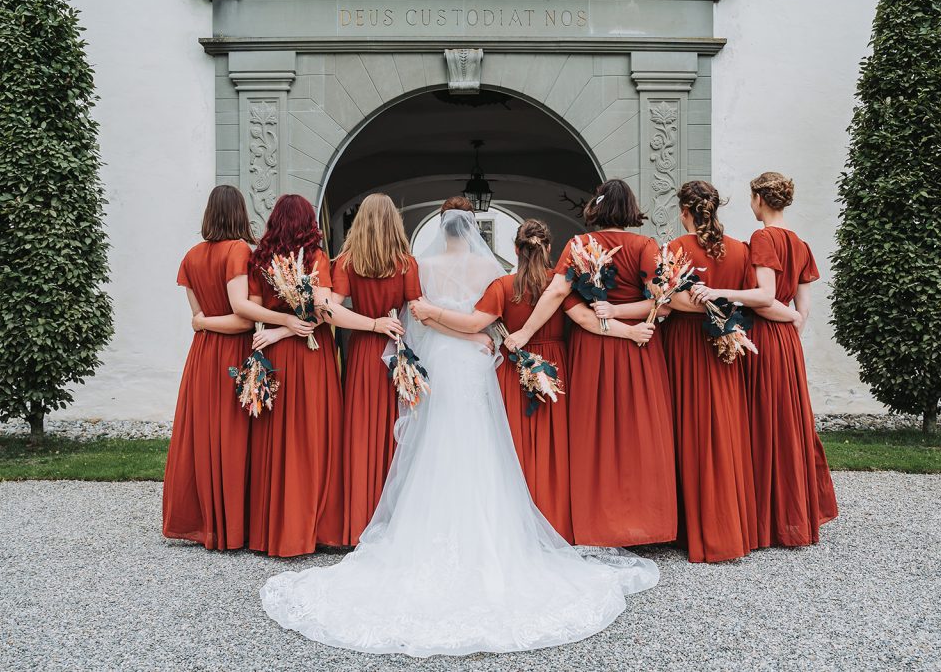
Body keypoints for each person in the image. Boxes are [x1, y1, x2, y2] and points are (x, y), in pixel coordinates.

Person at [259, 209, 659, 657]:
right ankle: (493, 529)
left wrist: (433, 317)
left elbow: (427, 316)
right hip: (475, 363)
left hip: (441, 357)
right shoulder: (497, 274)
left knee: (436, 443)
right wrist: (626, 327)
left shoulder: (426, 268)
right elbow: (489, 323)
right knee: (484, 445)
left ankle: (426, 522)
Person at [203, 194, 400, 556]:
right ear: (309, 223)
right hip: (312, 357)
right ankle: (314, 529)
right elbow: (323, 310)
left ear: (275, 221)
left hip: (277, 351)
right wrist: (292, 326)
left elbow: (257, 309)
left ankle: (268, 531)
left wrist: (279, 330)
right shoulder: (316, 258)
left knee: (275, 440)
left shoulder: (262, 258)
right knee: (314, 437)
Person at [505, 179, 676, 547]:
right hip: (638, 348)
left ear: (596, 208)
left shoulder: (580, 245)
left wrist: (525, 332)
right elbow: (663, 301)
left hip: (594, 349)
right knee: (640, 429)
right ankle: (646, 523)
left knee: (593, 431)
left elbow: (556, 292)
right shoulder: (646, 246)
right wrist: (625, 314)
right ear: (630, 207)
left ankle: (597, 522)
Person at [691, 172, 838, 547]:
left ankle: (764, 521)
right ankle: (794, 517)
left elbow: (764, 295)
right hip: (788, 342)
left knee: (760, 424)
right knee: (788, 423)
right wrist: (791, 330)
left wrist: (717, 291)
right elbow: (801, 308)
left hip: (764, 338)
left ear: (759, 199)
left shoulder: (762, 237)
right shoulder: (801, 244)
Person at [660, 181, 765, 562]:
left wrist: (701, 301)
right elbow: (751, 299)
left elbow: (666, 298)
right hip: (727, 347)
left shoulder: (675, 249)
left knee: (690, 427)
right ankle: (732, 523)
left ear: (684, 211)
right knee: (725, 426)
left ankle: (693, 528)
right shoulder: (740, 249)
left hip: (687, 346)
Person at [325, 193, 423, 546]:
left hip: (366, 352)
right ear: (394, 222)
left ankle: (359, 523)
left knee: (363, 430)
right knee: (395, 433)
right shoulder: (406, 264)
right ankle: (393, 524)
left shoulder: (347, 262)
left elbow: (330, 310)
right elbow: (421, 312)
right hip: (395, 350)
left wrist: (369, 325)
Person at [162, 185, 257, 550]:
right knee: (233, 437)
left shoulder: (191, 256)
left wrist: (202, 324)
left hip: (202, 354)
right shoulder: (239, 251)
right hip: (232, 352)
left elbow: (198, 316)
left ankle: (206, 522)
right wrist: (207, 322)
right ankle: (233, 526)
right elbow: (242, 320)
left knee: (204, 436)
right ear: (240, 214)